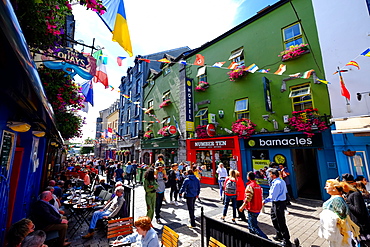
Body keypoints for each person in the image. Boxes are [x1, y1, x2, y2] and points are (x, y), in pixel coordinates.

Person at [318, 179, 360, 247]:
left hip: (339, 233)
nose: (325, 187)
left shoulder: (337, 200)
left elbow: (341, 217)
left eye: (327, 186)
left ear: (334, 188)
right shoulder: (336, 198)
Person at [263, 168, 291, 247]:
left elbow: (273, 195)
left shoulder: (277, 183)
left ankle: (286, 240)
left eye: (270, 174)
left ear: (274, 175)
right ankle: (279, 235)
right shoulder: (281, 181)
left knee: (280, 221)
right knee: (274, 218)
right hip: (277, 203)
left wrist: (264, 201)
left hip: (278, 203)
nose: (269, 175)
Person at [239, 171, 268, 239]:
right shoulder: (258, 186)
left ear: (248, 177)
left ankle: (266, 240)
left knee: (254, 226)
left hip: (252, 208)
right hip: (258, 207)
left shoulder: (250, 186)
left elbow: (248, 198)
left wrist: (242, 207)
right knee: (250, 224)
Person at [341, 173, 370, 239]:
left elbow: (359, 211)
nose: (344, 186)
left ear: (353, 184)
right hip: (355, 227)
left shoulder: (355, 194)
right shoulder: (349, 194)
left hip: (361, 228)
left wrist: (346, 203)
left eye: (346, 185)